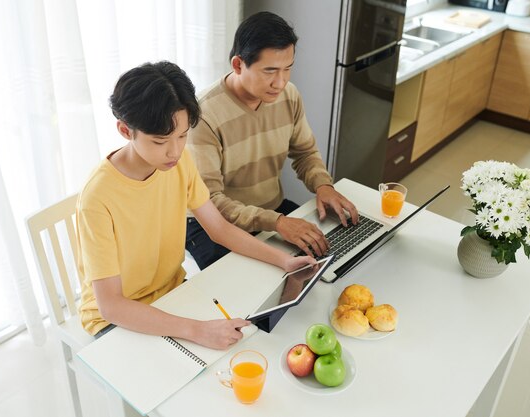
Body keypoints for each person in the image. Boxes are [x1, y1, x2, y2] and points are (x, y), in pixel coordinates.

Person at [76, 61, 314, 350]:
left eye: (182, 135)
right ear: (126, 131)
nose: (175, 151)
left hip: (171, 293)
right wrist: (196, 330)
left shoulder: (177, 162)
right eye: (160, 141)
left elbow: (218, 228)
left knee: (244, 349)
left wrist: (283, 261)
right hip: (117, 318)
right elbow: (111, 305)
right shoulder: (97, 199)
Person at [186, 11, 358, 270]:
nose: (280, 82)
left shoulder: (288, 96)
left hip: (270, 210)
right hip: (212, 224)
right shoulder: (203, 115)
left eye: (288, 68)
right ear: (237, 65)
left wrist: (324, 186)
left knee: (330, 261)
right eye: (270, 71)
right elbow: (212, 202)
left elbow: (305, 152)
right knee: (251, 292)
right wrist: (278, 222)